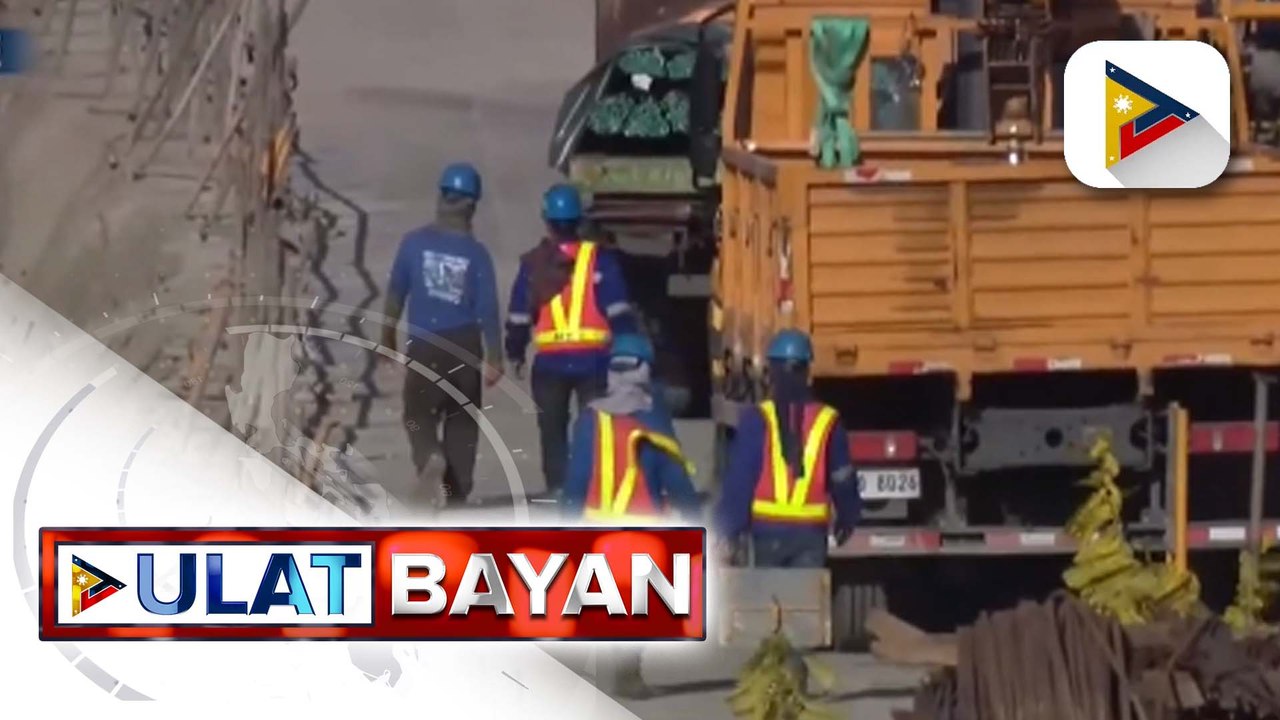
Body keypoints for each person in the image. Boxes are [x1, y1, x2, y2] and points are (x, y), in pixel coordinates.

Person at [561, 333, 700, 699]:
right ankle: (625, 674)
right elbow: (675, 478)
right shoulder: (653, 419)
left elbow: (576, 477)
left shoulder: (590, 418)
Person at [381, 162, 503, 509]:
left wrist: (386, 338)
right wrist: (495, 356)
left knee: (417, 414)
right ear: (473, 206)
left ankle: (429, 456)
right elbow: (488, 308)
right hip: (466, 346)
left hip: (425, 344)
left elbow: (395, 294)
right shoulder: (477, 254)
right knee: (462, 422)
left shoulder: (413, 244)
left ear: (441, 197)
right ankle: (458, 495)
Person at [505, 183, 637, 497]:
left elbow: (519, 316)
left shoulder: (535, 263)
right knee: (593, 429)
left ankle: (558, 488)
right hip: (595, 360)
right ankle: (591, 487)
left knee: (552, 430)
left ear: (547, 220)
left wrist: (515, 352)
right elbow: (619, 311)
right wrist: (629, 351)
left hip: (550, 363)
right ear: (579, 220)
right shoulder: (599, 260)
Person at [714, 329, 860, 567]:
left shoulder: (757, 419)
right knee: (806, 602)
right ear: (807, 371)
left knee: (771, 601)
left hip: (766, 533)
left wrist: (727, 529)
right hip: (811, 535)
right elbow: (843, 479)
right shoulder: (828, 421)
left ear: (772, 371)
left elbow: (740, 480)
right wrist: (848, 517)